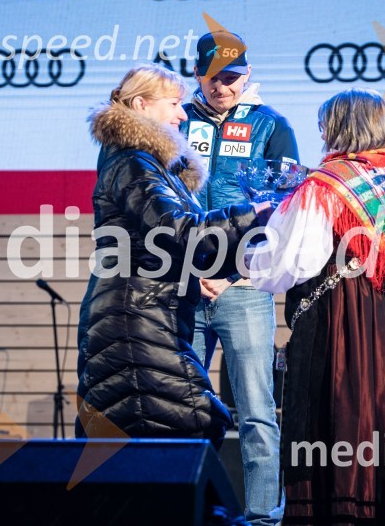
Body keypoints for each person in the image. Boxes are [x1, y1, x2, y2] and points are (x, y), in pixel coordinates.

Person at [249, 88, 385, 524]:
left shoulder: (325, 185)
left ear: (340, 126)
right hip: (382, 315)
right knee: (381, 417)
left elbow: (290, 262)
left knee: (340, 411)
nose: (320, 131)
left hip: (340, 319)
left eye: (325, 123)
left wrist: (245, 264)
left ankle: (344, 509)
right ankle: (384, 507)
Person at [76, 64, 273, 448]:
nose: (183, 114)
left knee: (171, 435)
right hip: (135, 320)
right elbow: (179, 231)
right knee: (194, 425)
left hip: (146, 314)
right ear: (141, 105)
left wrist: (217, 268)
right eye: (174, 103)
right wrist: (255, 215)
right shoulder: (134, 162)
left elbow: (174, 241)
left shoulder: (146, 163)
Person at [180, 31, 299, 526]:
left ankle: (263, 518)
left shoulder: (272, 125)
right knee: (179, 410)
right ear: (198, 76)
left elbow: (286, 209)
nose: (222, 87)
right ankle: (184, 509)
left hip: (245, 290)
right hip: (183, 289)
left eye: (232, 77)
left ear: (247, 75)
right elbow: (162, 205)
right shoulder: (176, 122)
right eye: (214, 78)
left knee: (256, 412)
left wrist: (236, 275)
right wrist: (192, 271)